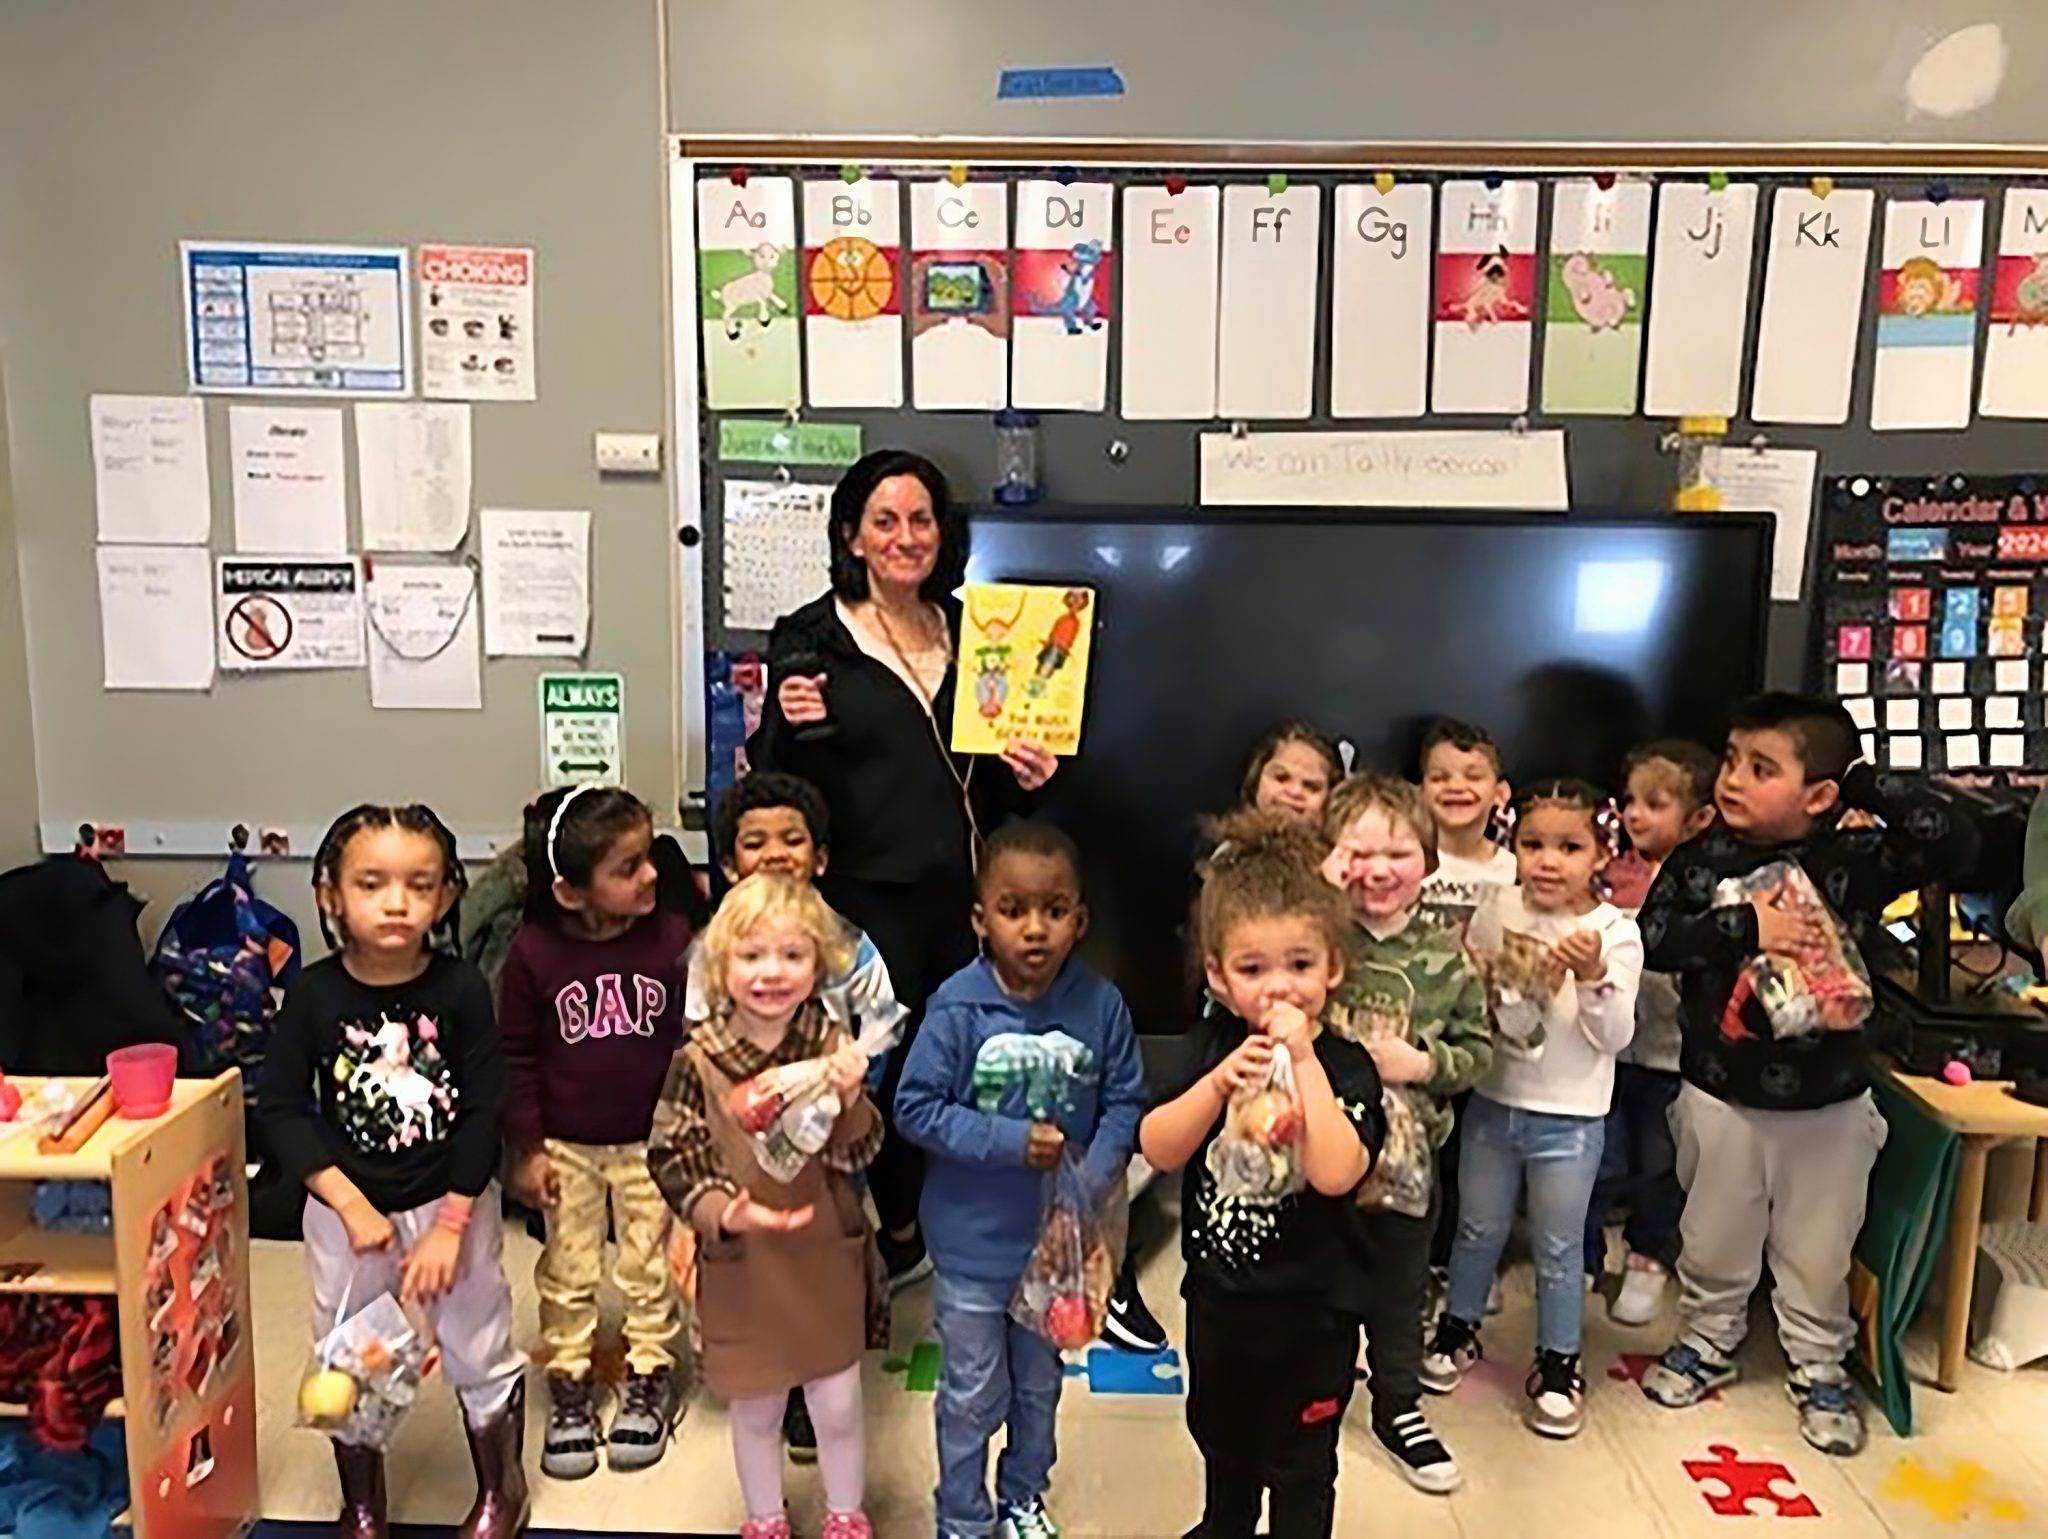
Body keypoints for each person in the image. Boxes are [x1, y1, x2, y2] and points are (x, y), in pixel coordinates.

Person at [1638, 694, 1978, 1456]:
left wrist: (1860, 781)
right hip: (1721, 1093)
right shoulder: (1703, 858)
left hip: (1829, 1102)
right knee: (1714, 1231)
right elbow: (1654, 938)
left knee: (1818, 1246)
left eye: (1762, 768)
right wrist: (1745, 927)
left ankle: (1818, 1360)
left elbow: (1954, 839)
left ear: (1819, 794)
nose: (1731, 780)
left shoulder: (1854, 858)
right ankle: (1707, 1333)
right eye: (1730, 759)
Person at [748, 449, 1056, 1288]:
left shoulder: (984, 630)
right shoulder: (811, 636)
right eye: (884, 520)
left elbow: (985, 774)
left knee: (956, 1065)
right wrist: (782, 719)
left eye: (920, 519)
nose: (904, 536)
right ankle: (870, 1240)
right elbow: (777, 780)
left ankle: (937, 1233)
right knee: (865, 1073)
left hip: (965, 897)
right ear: (851, 534)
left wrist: (1034, 774)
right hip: (861, 901)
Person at [256, 805, 527, 1539]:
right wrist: (348, 1203)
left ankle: (502, 1489)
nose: (397, 901)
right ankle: (363, 1502)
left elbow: (483, 1109)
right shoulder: (314, 994)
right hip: (348, 1214)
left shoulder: (463, 987)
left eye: (419, 883)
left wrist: (449, 1225)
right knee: (348, 1347)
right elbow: (279, 1104)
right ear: (328, 894)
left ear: (445, 895)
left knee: (476, 1337)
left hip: (451, 1201)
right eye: (372, 882)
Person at [896, 821, 1147, 1539]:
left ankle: (1022, 1498)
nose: (1034, 929)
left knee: (1039, 1388)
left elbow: (1127, 1100)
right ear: (981, 919)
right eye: (1013, 910)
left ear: (1080, 919)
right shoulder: (956, 1007)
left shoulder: (1102, 1006)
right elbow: (915, 1107)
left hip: (1062, 1251)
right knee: (973, 1390)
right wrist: (1009, 1142)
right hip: (973, 1247)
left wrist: (1091, 1183)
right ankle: (964, 1515)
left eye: (1055, 909)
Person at [1141, 813, 1384, 1539]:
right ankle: (1225, 1522)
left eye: (1300, 965)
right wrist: (1216, 1085)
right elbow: (1157, 1146)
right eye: (1253, 969)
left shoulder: (1345, 1065)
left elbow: (1339, 1173)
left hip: (1314, 1312)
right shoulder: (1212, 1045)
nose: (1279, 987)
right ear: (1217, 973)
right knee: (1223, 1440)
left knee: (1303, 1466)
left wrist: (1304, 1063)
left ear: (1333, 966)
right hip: (1219, 1302)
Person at [647, 875, 882, 1539]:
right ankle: (765, 1517)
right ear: (722, 966)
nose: (771, 972)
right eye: (752, 956)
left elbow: (859, 1148)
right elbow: (672, 1151)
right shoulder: (698, 1059)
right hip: (743, 1260)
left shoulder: (834, 1044)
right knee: (756, 1407)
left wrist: (852, 1096)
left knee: (837, 1402)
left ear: (819, 964)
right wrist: (722, 1209)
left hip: (820, 1255)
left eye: (791, 955)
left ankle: (845, 1512)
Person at [684, 771, 905, 1467]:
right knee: (751, 1266)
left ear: (822, 856)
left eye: (793, 839)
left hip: (832, 1148)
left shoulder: (856, 949)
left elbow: (882, 1037)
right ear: (727, 864)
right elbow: (698, 1057)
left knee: (824, 1268)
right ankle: (763, 1385)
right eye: (755, 842)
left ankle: (819, 1391)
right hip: (742, 1151)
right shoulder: (713, 953)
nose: (776, 853)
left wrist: (847, 1092)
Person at [1423, 780, 1643, 1440]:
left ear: (1601, 853)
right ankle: (1458, 1327)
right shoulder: (1497, 906)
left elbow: (1615, 1037)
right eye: (1533, 844)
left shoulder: (1615, 931)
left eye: (1570, 846)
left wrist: (1593, 976)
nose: (1549, 860)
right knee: (1477, 1230)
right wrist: (1482, 975)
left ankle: (1558, 1361)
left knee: (1558, 1243)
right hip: (1494, 1102)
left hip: (1572, 1118)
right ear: (1512, 846)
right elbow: (1493, 1012)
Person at [497, 786, 690, 1479]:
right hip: (566, 1146)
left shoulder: (671, 938)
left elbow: (692, 1042)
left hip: (651, 1139)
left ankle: (648, 1370)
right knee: (568, 1267)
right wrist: (527, 1147)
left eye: (648, 859)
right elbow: (514, 1054)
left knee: (648, 1261)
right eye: (628, 866)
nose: (651, 876)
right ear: (571, 891)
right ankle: (571, 1378)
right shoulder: (532, 953)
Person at [1319, 775, 1490, 1494]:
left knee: (1399, 1289)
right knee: (1319, 1284)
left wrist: (1424, 1062)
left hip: (1410, 1168)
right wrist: (1317, 893)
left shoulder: (1448, 957)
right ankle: (1316, 1397)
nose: (1379, 869)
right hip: (1320, 1157)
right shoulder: (1316, 934)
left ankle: (1398, 1405)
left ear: (1427, 862)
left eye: (1398, 852)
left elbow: (1479, 1051)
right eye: (1358, 851)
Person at [1583, 742, 1717, 1326]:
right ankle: (1582, 1256)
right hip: (1606, 1053)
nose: (1636, 814)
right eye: (1630, 801)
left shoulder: (1706, 885)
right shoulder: (1608, 872)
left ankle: (1646, 1259)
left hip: (1672, 1058)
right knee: (1598, 1159)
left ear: (1698, 818)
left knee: (1659, 1168)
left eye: (1655, 804)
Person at [1415, 720, 1516, 934]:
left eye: (1474, 777)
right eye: (1439, 778)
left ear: (1500, 794)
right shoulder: (1403, 863)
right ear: (1420, 793)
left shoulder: (1515, 871)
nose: (1456, 787)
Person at [1241, 720, 1344, 827]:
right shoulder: (1227, 843)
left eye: (1311, 787)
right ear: (1256, 783)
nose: (1295, 791)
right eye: (1281, 778)